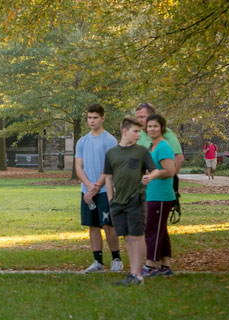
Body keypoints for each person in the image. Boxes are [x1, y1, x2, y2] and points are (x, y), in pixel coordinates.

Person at [96, 117, 162, 286]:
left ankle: (137, 274)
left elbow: (155, 170)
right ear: (125, 132)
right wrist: (111, 200)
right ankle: (133, 273)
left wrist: (150, 176)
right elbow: (108, 178)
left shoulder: (141, 151)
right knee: (127, 237)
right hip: (118, 203)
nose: (139, 135)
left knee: (137, 236)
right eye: (136, 131)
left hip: (136, 200)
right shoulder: (111, 153)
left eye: (140, 131)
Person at [74, 104, 123, 274]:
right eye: (89, 118)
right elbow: (78, 166)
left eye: (95, 117)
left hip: (104, 191)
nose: (92, 121)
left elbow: (109, 167)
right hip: (86, 191)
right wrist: (88, 185)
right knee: (93, 226)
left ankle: (116, 259)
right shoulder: (82, 141)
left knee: (108, 225)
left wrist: (96, 187)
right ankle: (98, 261)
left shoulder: (109, 140)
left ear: (102, 118)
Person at [142, 113, 177, 278]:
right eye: (149, 126)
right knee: (160, 230)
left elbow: (170, 171)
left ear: (162, 128)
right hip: (152, 194)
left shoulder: (163, 147)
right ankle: (165, 266)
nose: (152, 129)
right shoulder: (152, 146)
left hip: (161, 196)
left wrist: (154, 175)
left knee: (152, 230)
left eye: (155, 126)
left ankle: (150, 265)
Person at [135, 103, 183, 193]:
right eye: (137, 117)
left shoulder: (166, 133)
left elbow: (179, 157)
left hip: (161, 187)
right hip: (143, 187)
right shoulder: (138, 133)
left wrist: (171, 180)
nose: (139, 120)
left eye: (142, 117)